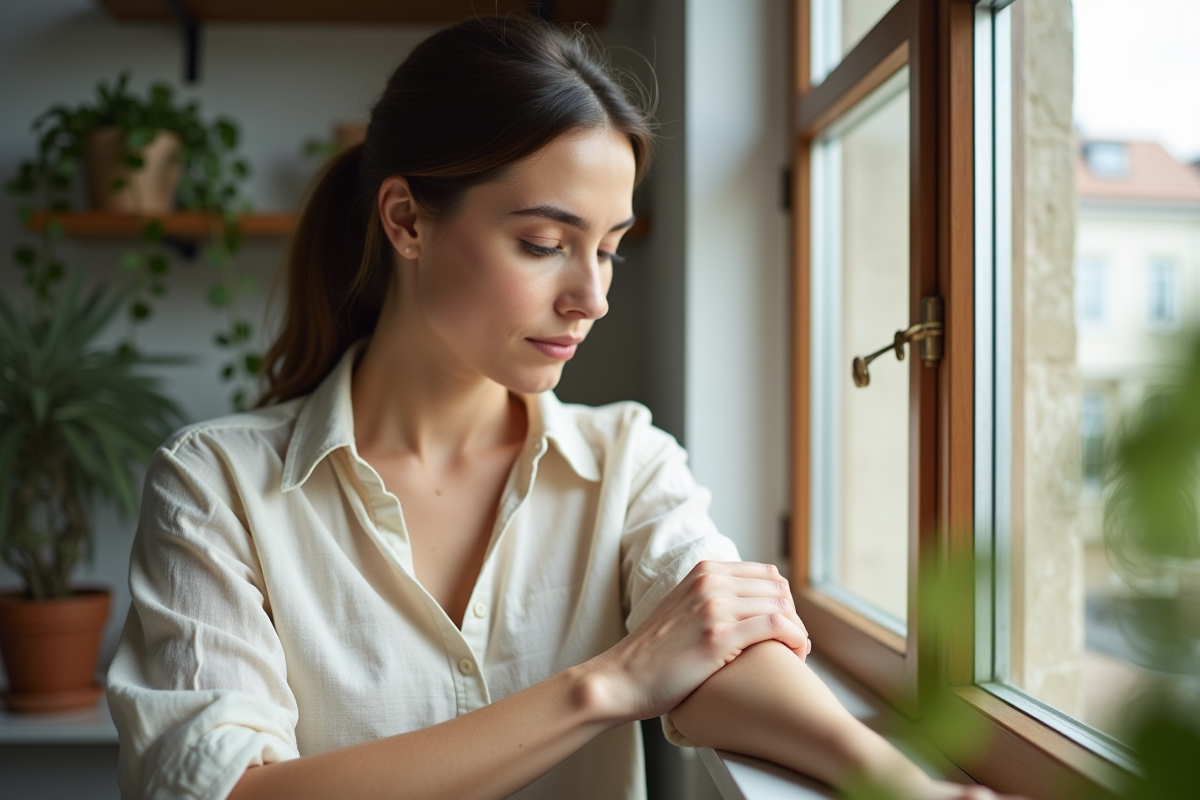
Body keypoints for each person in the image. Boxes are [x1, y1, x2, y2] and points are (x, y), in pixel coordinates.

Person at [107, 16, 1018, 800]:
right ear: (407, 221)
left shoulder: (627, 459)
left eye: (611, 248)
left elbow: (726, 652)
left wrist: (901, 784)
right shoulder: (216, 483)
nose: (593, 295)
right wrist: (608, 684)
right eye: (545, 244)